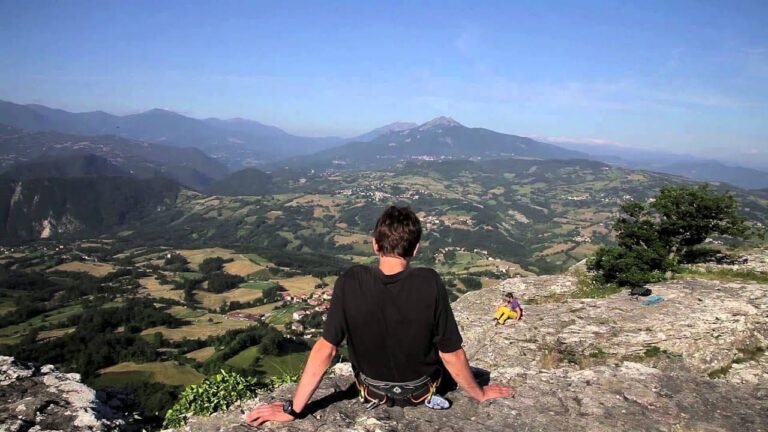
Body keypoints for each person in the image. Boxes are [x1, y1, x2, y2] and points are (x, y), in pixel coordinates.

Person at [245, 205, 513, 426]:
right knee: (473, 371)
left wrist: (293, 409)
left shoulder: (350, 281)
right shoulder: (429, 282)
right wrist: (479, 393)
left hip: (371, 392)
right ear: (416, 248)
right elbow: (450, 353)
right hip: (424, 391)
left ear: (375, 245)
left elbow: (326, 349)